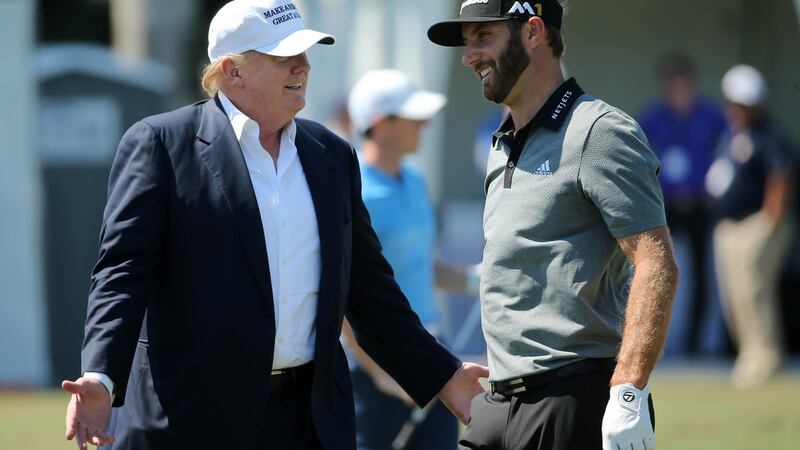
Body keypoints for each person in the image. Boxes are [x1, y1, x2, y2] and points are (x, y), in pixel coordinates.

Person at [60, 1, 488, 449]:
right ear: (231, 70)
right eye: (284, 56)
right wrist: (101, 376)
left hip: (309, 423)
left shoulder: (332, 156)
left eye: (305, 53)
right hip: (193, 420)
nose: (303, 66)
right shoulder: (161, 144)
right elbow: (122, 274)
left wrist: (445, 376)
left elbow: (370, 293)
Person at [427, 1, 679, 449]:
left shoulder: (600, 131)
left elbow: (655, 262)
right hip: (497, 404)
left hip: (571, 399)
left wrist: (629, 389)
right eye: (466, 44)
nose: (469, 56)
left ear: (534, 31)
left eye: (483, 37)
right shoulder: (501, 141)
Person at [343, 69, 476, 450]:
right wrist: (382, 375)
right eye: (413, 117)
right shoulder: (357, 191)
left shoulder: (415, 179)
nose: (425, 124)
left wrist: (477, 280)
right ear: (381, 124)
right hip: (373, 368)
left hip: (432, 352)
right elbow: (344, 296)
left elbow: (421, 266)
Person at [706, 64, 794, 388]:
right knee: (735, 296)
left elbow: (781, 175)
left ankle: (766, 357)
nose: (735, 110)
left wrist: (771, 219)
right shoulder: (731, 136)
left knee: (754, 291)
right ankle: (749, 355)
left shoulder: (769, 135)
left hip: (756, 224)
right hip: (729, 227)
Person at [639, 54, 727, 357]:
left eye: (683, 85)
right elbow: (638, 156)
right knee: (657, 268)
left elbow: (730, 148)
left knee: (704, 275)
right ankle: (653, 340)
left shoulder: (711, 115)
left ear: (692, 84)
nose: (678, 92)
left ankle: (694, 343)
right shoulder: (653, 117)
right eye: (672, 86)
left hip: (701, 203)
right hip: (666, 205)